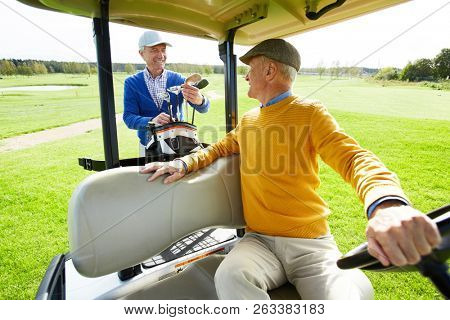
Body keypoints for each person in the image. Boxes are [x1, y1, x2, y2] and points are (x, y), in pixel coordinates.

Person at [140, 39, 441, 299]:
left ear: (270, 71)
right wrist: (182, 162)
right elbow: (218, 149)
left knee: (345, 298)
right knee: (229, 276)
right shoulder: (248, 120)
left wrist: (387, 205)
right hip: (257, 243)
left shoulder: (310, 113)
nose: (246, 76)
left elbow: (354, 159)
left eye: (250, 68)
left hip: (310, 245)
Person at [123, 30, 210, 152]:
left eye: (163, 50)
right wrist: (152, 121)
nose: (161, 55)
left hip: (178, 146)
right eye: (154, 50)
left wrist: (200, 100)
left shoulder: (179, 79)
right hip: (148, 147)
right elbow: (129, 118)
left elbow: (204, 108)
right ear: (142, 54)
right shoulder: (131, 83)